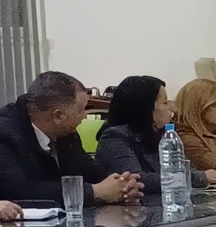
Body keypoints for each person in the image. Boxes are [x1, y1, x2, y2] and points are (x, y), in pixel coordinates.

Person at [0, 72, 141, 207]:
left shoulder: (64, 132)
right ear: (58, 116)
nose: (84, 116)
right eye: (81, 110)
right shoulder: (5, 133)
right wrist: (94, 192)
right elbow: (20, 191)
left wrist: (122, 186)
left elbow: (90, 171)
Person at [93, 76, 216, 196]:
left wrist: (200, 176)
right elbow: (138, 179)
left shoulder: (161, 134)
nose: (172, 109)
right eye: (165, 102)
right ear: (146, 108)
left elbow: (182, 168)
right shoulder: (114, 137)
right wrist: (198, 178)